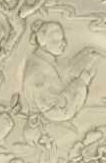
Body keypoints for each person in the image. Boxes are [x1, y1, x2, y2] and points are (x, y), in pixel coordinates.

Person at [19, 20, 101, 148]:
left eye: (63, 39)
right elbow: (58, 110)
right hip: (46, 129)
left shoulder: (44, 60)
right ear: (43, 43)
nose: (64, 43)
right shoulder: (39, 71)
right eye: (57, 40)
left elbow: (62, 77)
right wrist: (81, 83)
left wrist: (82, 58)